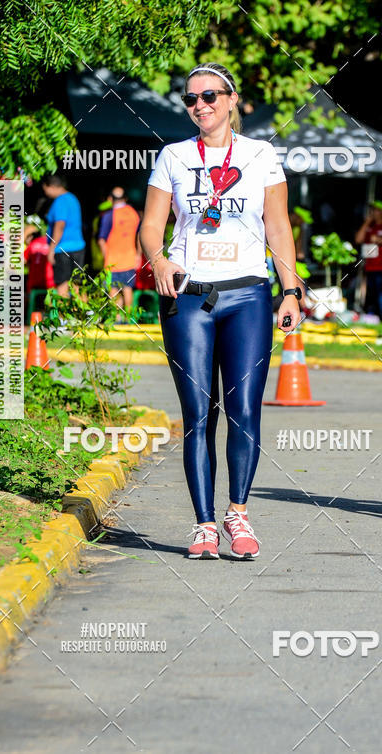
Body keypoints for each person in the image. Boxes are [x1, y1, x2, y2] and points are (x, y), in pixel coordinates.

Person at [139, 62, 302, 560]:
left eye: (210, 96)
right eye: (190, 99)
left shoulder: (261, 155)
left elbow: (278, 228)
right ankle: (204, 525)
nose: (200, 106)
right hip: (189, 296)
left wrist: (290, 290)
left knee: (244, 410)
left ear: (233, 100)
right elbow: (150, 227)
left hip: (248, 294)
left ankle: (238, 512)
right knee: (197, 415)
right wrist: (158, 258)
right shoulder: (173, 156)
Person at [41, 174, 86, 297]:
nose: (46, 193)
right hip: (78, 247)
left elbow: (59, 225)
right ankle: (83, 314)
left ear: (52, 186)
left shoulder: (60, 201)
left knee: (62, 283)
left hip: (63, 249)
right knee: (77, 282)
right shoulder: (73, 198)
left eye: (46, 190)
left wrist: (51, 249)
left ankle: (63, 315)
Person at [97, 187, 140, 313]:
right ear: (125, 198)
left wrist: (106, 257)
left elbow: (101, 240)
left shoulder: (109, 215)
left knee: (114, 291)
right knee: (127, 289)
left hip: (113, 261)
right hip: (130, 259)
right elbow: (139, 236)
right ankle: (129, 319)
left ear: (110, 199)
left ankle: (117, 319)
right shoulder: (133, 213)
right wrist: (138, 254)